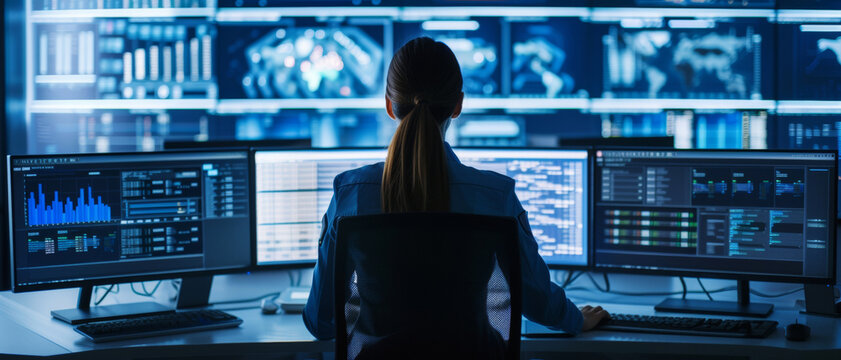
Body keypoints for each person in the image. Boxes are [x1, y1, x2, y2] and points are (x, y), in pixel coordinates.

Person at [303, 36, 609, 341]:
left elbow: (322, 322)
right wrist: (575, 319)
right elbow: (538, 301)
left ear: (389, 105)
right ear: (458, 105)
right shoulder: (496, 195)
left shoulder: (351, 192)